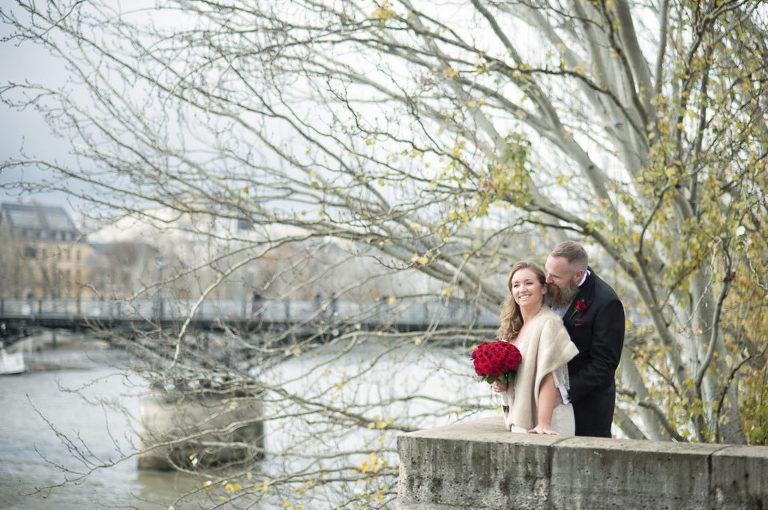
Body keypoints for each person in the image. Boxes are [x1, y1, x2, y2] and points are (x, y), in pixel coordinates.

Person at [545, 241, 625, 438]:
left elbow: (604, 365)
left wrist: (562, 392)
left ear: (578, 275)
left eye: (555, 276)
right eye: (547, 271)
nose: (547, 280)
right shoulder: (547, 288)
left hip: (587, 410)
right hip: (545, 406)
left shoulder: (606, 302)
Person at [492, 261, 579, 435]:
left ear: (543, 288)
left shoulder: (549, 323)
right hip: (519, 419)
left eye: (529, 283)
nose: (522, 289)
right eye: (516, 285)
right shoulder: (512, 329)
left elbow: (549, 377)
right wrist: (499, 381)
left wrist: (544, 424)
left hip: (548, 422)